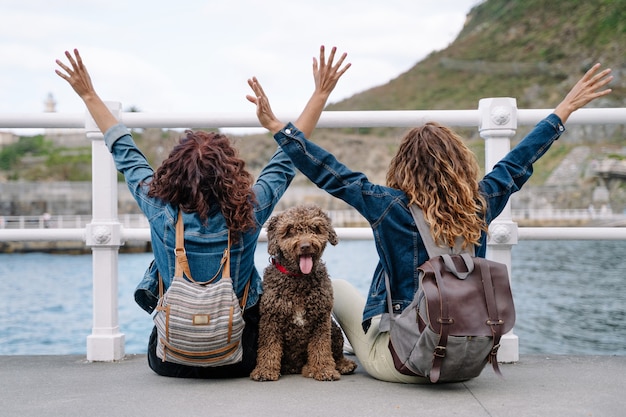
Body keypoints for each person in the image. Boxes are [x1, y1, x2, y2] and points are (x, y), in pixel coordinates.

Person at [248, 61, 613, 383]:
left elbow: (334, 175)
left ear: (403, 167)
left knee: (338, 287)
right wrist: (563, 110)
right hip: (467, 364)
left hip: (403, 364)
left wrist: (280, 127)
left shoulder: (389, 207)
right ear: (460, 164)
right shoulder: (480, 203)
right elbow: (516, 165)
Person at [55, 45, 350, 378]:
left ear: (173, 173)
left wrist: (89, 94)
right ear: (232, 173)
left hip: (170, 360)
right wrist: (320, 94)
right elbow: (286, 160)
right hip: (239, 356)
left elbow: (125, 152)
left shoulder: (159, 207)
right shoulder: (250, 210)